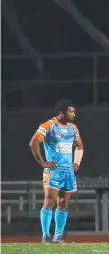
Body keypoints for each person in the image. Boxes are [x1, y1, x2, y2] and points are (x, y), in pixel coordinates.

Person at [29, 99, 83, 243]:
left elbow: (79, 146)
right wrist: (43, 162)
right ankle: (46, 236)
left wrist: (77, 162)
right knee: (50, 201)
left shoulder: (73, 128)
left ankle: (58, 237)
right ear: (62, 112)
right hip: (54, 171)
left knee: (64, 203)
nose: (74, 114)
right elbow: (33, 142)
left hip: (68, 172)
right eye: (71, 111)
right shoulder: (48, 126)